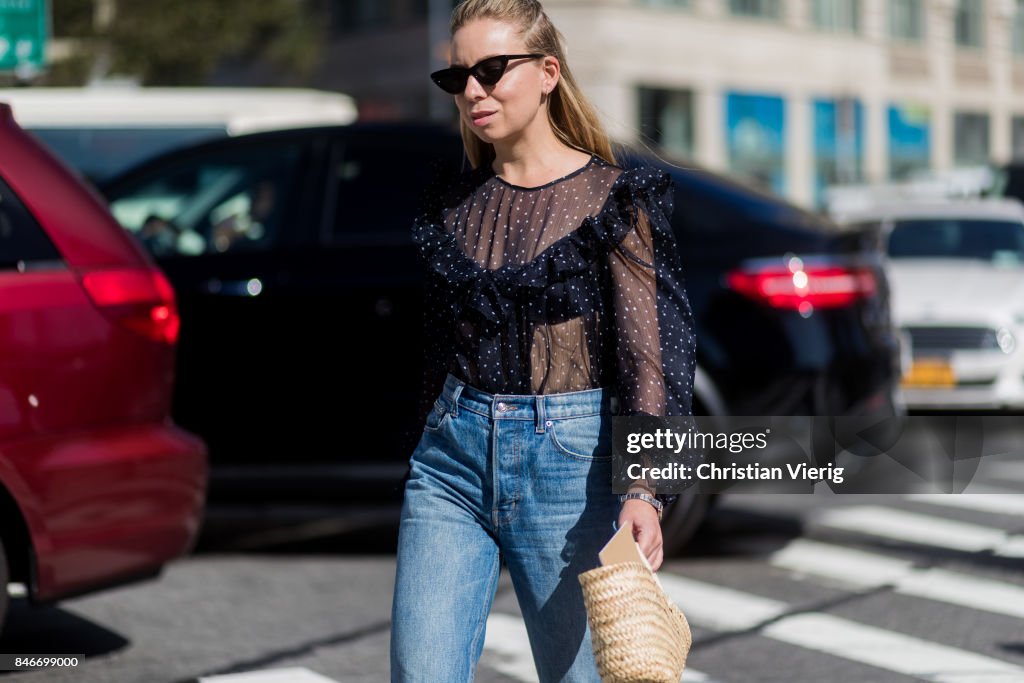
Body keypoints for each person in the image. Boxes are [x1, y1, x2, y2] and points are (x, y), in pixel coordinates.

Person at [390, 1, 697, 681]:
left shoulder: (617, 199)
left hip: (569, 466)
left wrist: (645, 489)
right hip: (451, 467)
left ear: (548, 72)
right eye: (459, 76)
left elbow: (653, 359)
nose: (474, 90)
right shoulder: (452, 202)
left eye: (493, 70)